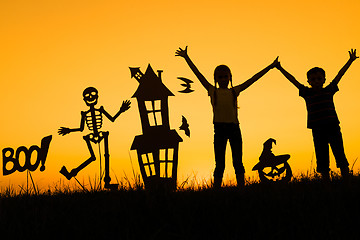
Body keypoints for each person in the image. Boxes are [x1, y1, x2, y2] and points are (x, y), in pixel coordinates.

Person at [176, 46, 278, 188]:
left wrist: (271, 66)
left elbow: (253, 79)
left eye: (226, 76)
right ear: (216, 79)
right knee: (220, 163)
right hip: (219, 130)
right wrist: (186, 57)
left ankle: (241, 187)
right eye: (220, 77)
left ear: (230, 77)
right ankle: (216, 189)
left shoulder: (234, 91)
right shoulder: (212, 91)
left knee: (237, 161)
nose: (223, 79)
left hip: (234, 129)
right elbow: (198, 74)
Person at [275, 49, 358, 181]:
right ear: (308, 81)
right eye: (313, 79)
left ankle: (346, 178)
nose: (316, 81)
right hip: (317, 129)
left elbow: (339, 75)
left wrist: (350, 61)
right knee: (322, 154)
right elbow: (293, 80)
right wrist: (280, 68)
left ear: (324, 79)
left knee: (339, 152)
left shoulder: (329, 90)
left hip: (332, 127)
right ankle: (326, 180)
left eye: (319, 78)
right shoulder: (306, 93)